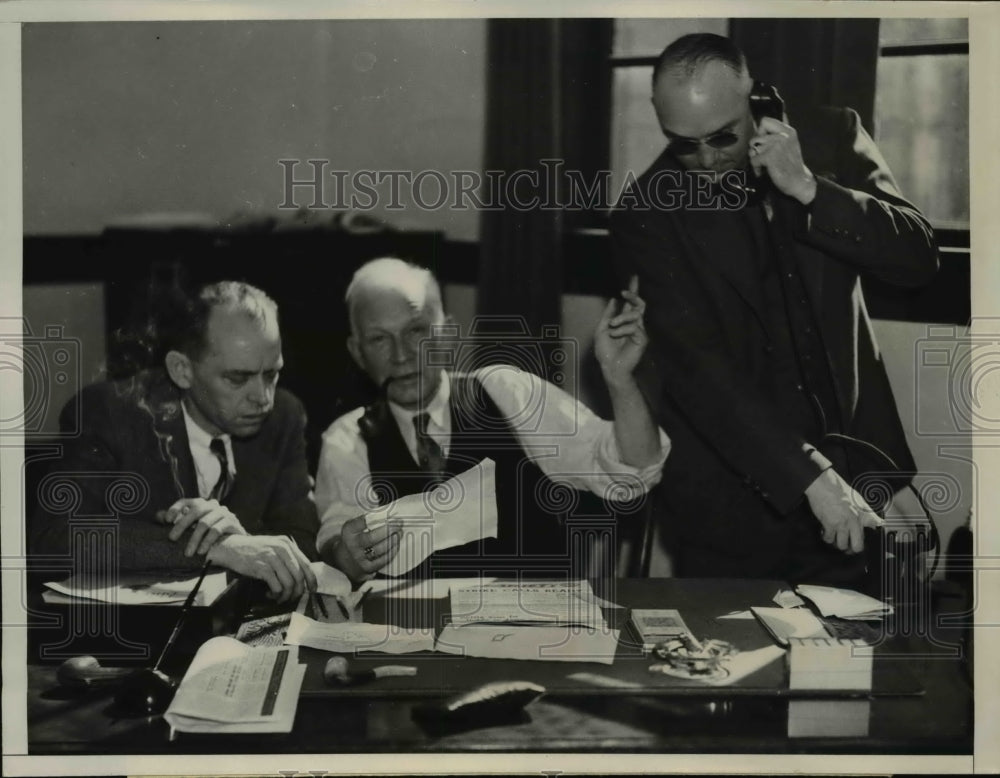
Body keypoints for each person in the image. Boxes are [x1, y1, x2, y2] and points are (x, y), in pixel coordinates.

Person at [610, 33, 938, 585]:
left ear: (755, 100)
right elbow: (702, 373)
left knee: (857, 642)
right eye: (683, 144)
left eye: (723, 136)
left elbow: (918, 259)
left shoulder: (833, 136)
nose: (706, 160)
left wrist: (810, 189)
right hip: (732, 509)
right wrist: (811, 478)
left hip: (857, 486)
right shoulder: (645, 214)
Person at [314, 257, 670, 582]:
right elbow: (336, 540)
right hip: (409, 629)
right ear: (357, 353)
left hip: (531, 620)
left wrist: (619, 379)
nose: (402, 356)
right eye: (379, 339)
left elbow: (633, 469)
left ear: (447, 334)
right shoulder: (348, 439)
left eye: (416, 331)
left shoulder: (506, 392)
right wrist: (346, 555)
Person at [32, 281, 319, 602]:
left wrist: (244, 540)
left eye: (272, 374)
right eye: (237, 378)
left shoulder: (284, 416)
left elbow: (304, 543)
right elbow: (54, 537)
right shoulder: (109, 413)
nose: (263, 397)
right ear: (182, 370)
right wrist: (215, 546)